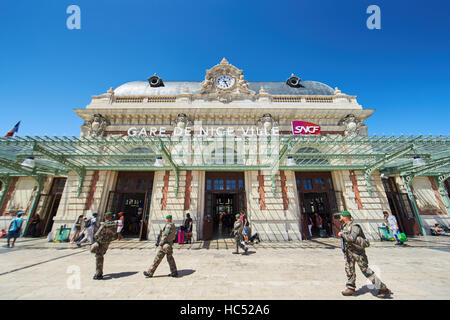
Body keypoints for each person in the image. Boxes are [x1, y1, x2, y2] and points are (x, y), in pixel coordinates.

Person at [337, 210, 392, 298]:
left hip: (358, 253)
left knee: (366, 271)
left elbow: (351, 238)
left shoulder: (355, 226)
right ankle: (350, 288)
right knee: (349, 270)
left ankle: (382, 288)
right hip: (349, 253)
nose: (340, 217)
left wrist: (342, 235)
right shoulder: (344, 226)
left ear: (345, 217)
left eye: (341, 216)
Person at [90, 212, 118, 280]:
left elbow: (97, 234)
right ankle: (99, 272)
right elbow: (115, 234)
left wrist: (96, 237)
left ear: (105, 217)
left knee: (99, 257)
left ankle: (98, 274)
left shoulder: (104, 224)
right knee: (101, 255)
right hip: (107, 242)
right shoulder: (114, 224)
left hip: (101, 242)